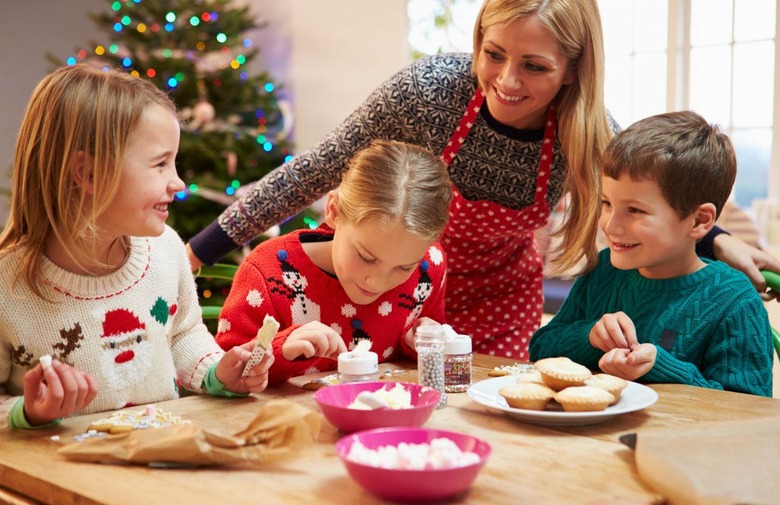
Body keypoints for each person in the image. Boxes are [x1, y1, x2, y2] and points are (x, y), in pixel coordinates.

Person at [186, 0, 780, 361]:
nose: (506, 81)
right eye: (493, 54)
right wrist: (200, 248)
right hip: (393, 283)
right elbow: (315, 168)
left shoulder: (586, 129)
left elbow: (646, 193)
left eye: (535, 66)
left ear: (574, 71)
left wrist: (718, 240)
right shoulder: (428, 93)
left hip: (502, 297)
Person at [0, 64, 275, 430]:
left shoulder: (165, 250)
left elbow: (182, 335)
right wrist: (28, 412)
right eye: (160, 163)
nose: (178, 183)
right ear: (88, 174)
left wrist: (217, 373)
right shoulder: (6, 289)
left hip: (158, 469)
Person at [529, 111, 773, 397]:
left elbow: (749, 410)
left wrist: (660, 368)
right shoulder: (604, 270)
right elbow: (541, 348)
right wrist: (590, 336)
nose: (610, 225)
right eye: (607, 203)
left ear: (699, 221)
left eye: (635, 210)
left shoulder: (734, 301)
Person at [214, 140, 451, 385]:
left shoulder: (429, 265)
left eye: (404, 268)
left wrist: (421, 342)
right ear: (334, 211)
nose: (377, 282)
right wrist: (280, 349)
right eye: (366, 257)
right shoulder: (267, 271)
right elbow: (224, 374)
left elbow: (422, 361)